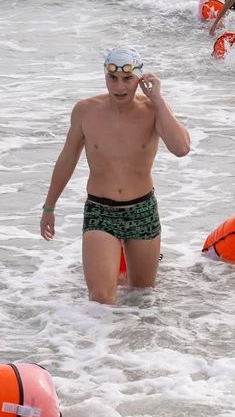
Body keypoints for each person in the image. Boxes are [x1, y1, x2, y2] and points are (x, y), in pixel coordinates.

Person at [39, 47, 190, 304]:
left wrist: (159, 100)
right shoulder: (85, 111)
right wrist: (49, 206)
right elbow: (67, 159)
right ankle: (98, 344)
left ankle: (132, 344)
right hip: (101, 211)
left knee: (142, 296)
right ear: (105, 77)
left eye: (127, 79)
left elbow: (181, 148)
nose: (119, 86)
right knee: (100, 299)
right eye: (113, 78)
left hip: (142, 210)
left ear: (139, 79)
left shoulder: (152, 111)